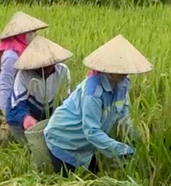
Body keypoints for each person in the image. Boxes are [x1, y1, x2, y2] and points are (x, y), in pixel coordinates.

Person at [43, 35, 152, 175]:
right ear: (107, 69)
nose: (124, 73)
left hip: (87, 145)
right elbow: (92, 131)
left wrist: (137, 141)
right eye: (119, 69)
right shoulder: (93, 91)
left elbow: (124, 115)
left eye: (126, 69)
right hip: (64, 141)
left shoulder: (123, 84)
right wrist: (124, 150)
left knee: (92, 180)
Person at [5, 36, 72, 142]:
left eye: (47, 65)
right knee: (28, 145)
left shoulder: (63, 71)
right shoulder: (24, 75)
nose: (44, 68)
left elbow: (66, 102)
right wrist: (26, 118)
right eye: (40, 65)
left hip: (49, 115)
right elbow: (17, 104)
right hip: (25, 115)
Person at [0, 12, 48, 117]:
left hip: (24, 98)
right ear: (21, 35)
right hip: (12, 103)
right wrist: (5, 113)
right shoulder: (11, 56)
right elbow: (5, 83)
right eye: (31, 33)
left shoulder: (27, 50)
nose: (34, 36)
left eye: (35, 32)